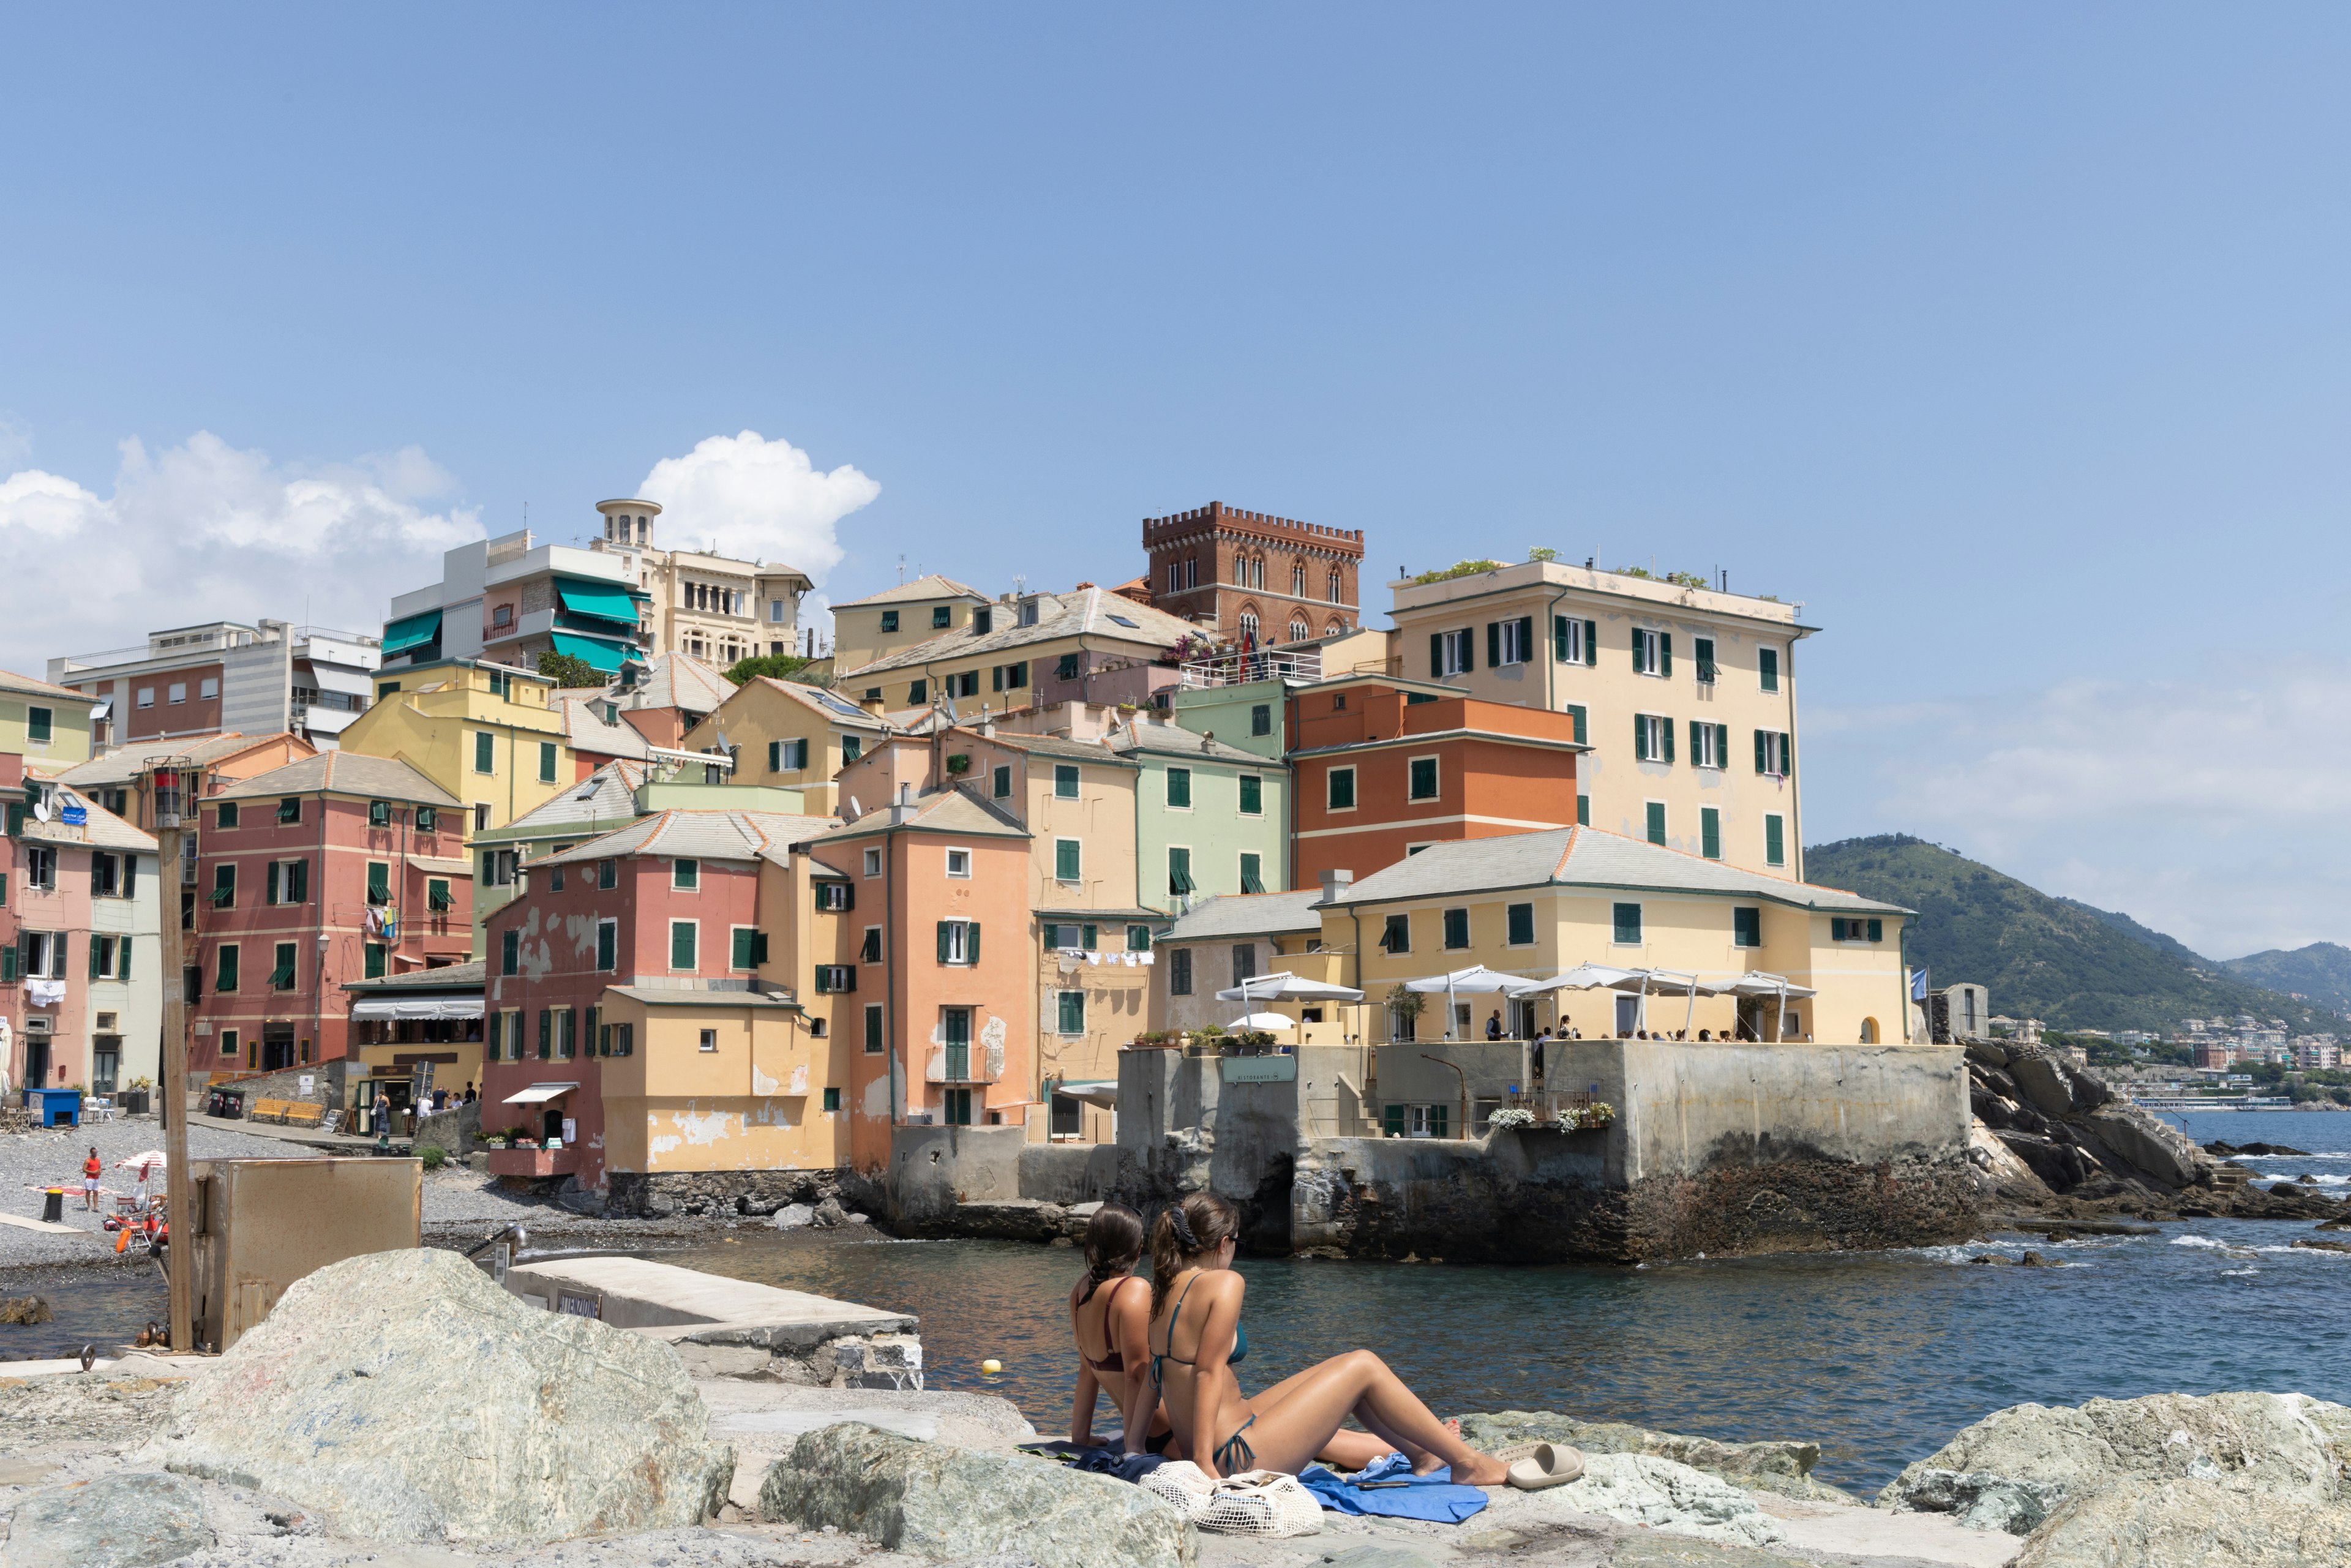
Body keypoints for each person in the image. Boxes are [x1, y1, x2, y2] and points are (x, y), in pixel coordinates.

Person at [1147, 1193, 1509, 1484]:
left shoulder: (1161, 1290)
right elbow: (1207, 1373)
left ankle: (1425, 1454)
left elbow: (1154, 1376)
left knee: (1340, 1368)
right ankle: (1468, 1463)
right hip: (1236, 1455)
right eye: (1236, 1243)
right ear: (1225, 1242)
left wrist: (1137, 1446)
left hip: (1219, 1440)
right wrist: (1203, 1466)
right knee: (1364, 1364)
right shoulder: (1225, 1283)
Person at [1067, 1204, 1171, 1456]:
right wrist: (1133, 1448)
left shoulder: (1081, 1291)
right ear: (1138, 1250)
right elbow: (1137, 1375)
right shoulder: (1132, 1290)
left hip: (1144, 1430)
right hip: (1165, 1432)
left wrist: (1080, 1438)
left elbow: (1087, 1370)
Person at [82, 1147, 103, 1211]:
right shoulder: (88, 1160)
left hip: (96, 1178)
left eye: (96, 1152)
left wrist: (100, 1171)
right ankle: (89, 1207)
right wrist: (93, 1172)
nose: (96, 1154)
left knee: (96, 1192)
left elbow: (99, 1167)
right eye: (94, 1152)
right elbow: (84, 1169)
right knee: (88, 1192)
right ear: (91, 1153)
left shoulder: (98, 1160)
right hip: (90, 1178)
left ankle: (96, 1207)